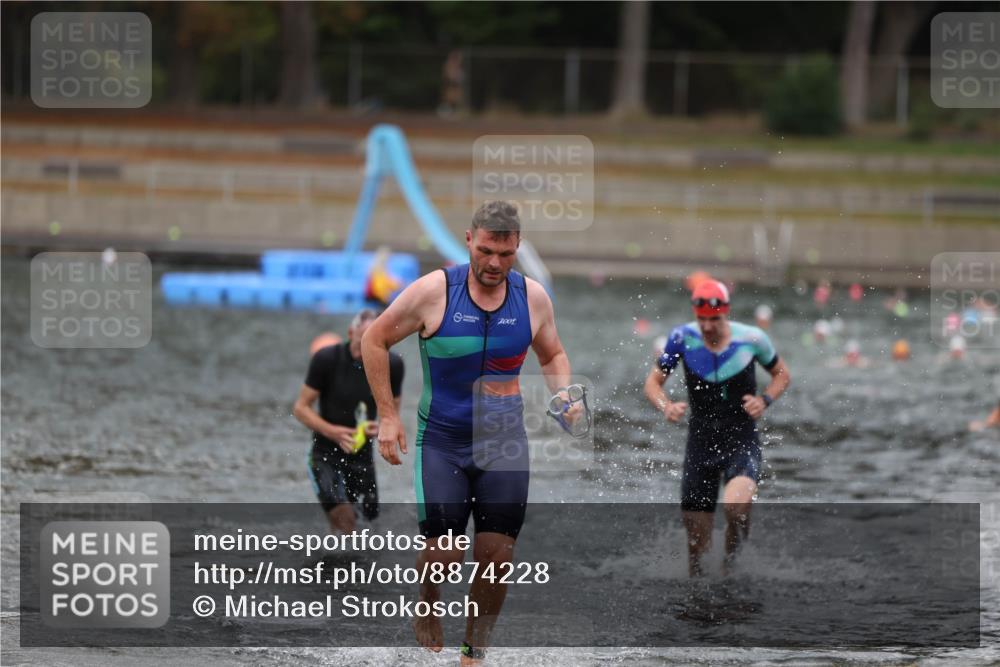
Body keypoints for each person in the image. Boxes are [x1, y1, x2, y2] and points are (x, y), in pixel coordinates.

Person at [361, 200, 577, 665]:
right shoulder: (433, 292)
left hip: (504, 443)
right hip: (443, 440)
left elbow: (553, 356)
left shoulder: (533, 298)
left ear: (517, 247)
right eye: (485, 251)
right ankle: (428, 599)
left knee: (497, 556)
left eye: (504, 254)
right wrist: (389, 414)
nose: (494, 263)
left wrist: (564, 397)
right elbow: (373, 339)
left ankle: (473, 652)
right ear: (468, 241)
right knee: (447, 550)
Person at [644, 279, 791, 577]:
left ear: (727, 312)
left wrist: (765, 400)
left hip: (741, 439)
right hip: (700, 444)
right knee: (696, 551)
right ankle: (699, 596)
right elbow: (653, 383)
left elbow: (782, 374)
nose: (708, 327)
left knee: (736, 507)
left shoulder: (752, 339)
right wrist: (667, 406)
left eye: (714, 319)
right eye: (702, 320)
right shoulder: (682, 338)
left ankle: (732, 565)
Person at [293, 309, 404, 536]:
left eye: (376, 341)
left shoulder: (392, 365)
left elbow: (392, 412)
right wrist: (332, 432)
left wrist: (384, 425)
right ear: (350, 332)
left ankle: (355, 569)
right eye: (364, 339)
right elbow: (301, 409)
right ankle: (331, 569)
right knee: (345, 519)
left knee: (369, 527)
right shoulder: (326, 359)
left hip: (362, 456)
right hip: (325, 454)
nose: (368, 348)